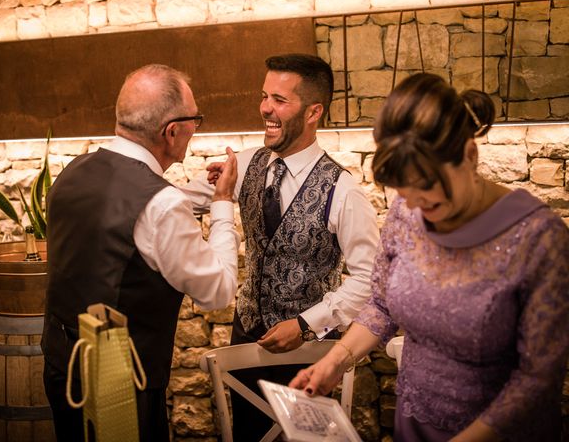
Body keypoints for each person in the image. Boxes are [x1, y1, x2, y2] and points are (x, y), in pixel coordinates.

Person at [290, 72, 569, 441]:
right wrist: (334, 361)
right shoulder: (407, 211)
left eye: (430, 195)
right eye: (409, 194)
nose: (420, 207)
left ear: (470, 155)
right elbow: (382, 305)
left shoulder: (539, 239)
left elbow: (538, 379)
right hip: (413, 422)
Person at [183, 53, 380, 440]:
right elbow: (176, 202)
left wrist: (308, 325)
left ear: (313, 111)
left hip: (310, 354)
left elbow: (370, 279)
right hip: (247, 336)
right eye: (264, 96)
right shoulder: (240, 165)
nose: (265, 109)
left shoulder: (344, 191)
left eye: (279, 100)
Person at [41, 64, 240, 442]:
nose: (196, 128)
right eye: (195, 119)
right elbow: (217, 291)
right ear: (171, 131)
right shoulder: (161, 205)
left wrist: (204, 191)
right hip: (120, 381)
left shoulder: (76, 170)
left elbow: (129, 215)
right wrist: (224, 203)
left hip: (61, 364)